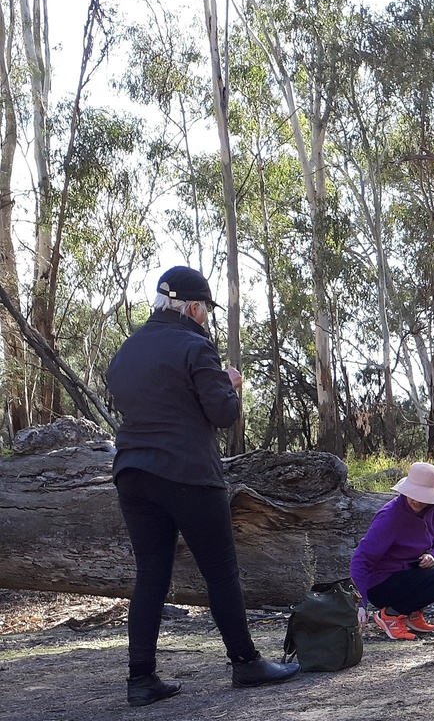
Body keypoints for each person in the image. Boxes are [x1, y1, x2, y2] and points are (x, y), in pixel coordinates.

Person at [106, 266, 299, 706]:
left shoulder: (127, 350)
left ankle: (141, 680)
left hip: (132, 472)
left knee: (151, 577)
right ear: (192, 307)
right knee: (220, 572)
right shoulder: (196, 346)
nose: (208, 318)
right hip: (188, 473)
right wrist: (230, 385)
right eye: (206, 310)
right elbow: (222, 414)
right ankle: (246, 663)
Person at [351, 462, 434, 641]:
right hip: (383, 583)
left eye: (422, 496)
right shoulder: (390, 517)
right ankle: (391, 615)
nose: (416, 500)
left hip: (411, 568)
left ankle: (412, 612)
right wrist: (360, 604)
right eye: (412, 494)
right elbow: (361, 560)